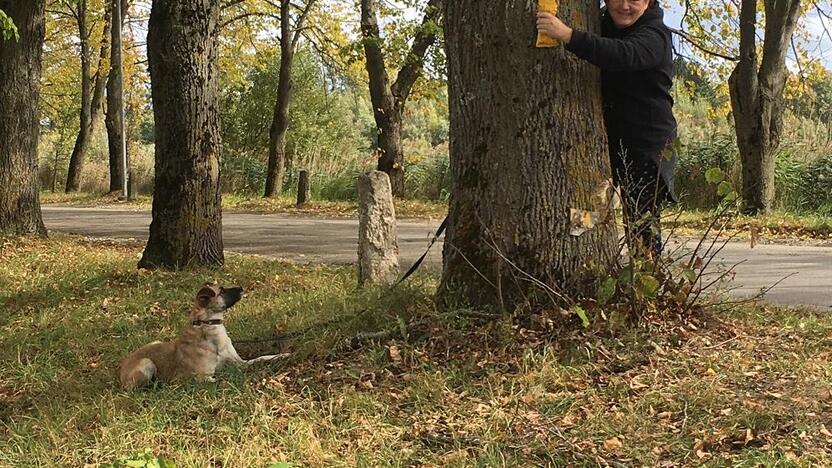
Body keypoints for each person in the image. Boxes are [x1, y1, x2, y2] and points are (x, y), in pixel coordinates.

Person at [536, 0, 677, 257]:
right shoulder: (603, 24)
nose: (624, 6)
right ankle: (583, 258)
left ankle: (647, 279)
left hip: (648, 148)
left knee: (641, 222)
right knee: (592, 204)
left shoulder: (655, 35)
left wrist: (568, 35)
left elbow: (622, 55)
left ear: (648, 2)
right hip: (608, 141)